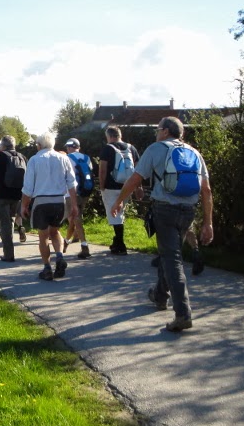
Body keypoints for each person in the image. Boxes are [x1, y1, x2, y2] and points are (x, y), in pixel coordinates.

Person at [111, 116, 213, 332]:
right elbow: (206, 190)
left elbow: (135, 179)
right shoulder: (194, 153)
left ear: (166, 131)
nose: (156, 133)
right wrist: (208, 223)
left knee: (172, 259)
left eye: (158, 129)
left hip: (165, 210)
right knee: (169, 254)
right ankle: (159, 295)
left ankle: (183, 313)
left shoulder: (156, 149)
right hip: (188, 211)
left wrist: (119, 201)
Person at [20, 132, 78, 280]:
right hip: (59, 201)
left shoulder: (34, 160)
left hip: (41, 202)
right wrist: (74, 204)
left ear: (39, 145)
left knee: (43, 236)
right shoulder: (63, 158)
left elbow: (28, 187)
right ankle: (59, 256)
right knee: (55, 231)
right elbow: (72, 183)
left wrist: (24, 205)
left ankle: (47, 268)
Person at [99, 126, 142, 255]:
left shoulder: (107, 148)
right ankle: (116, 242)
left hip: (111, 186)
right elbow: (138, 169)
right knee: (119, 213)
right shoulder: (131, 148)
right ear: (120, 135)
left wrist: (102, 186)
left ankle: (120, 244)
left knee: (114, 214)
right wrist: (138, 187)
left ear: (109, 136)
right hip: (127, 186)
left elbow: (102, 170)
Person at [0, 135, 26, 262]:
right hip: (17, 195)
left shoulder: (0, 156)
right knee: (10, 221)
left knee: (5, 224)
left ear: (3, 145)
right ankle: (9, 250)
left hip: (2, 195)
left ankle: (8, 254)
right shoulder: (22, 157)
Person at [63, 138, 93, 259]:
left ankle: (84, 246)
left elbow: (64, 175)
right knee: (74, 219)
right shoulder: (87, 158)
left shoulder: (67, 158)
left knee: (75, 218)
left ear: (70, 147)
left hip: (71, 193)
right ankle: (65, 242)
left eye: (67, 147)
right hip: (85, 191)